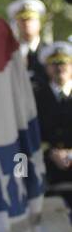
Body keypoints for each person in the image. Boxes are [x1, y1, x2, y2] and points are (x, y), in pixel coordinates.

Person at [37, 41, 72, 207]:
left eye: (64, 62)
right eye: (54, 63)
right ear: (46, 68)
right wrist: (51, 152)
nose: (60, 68)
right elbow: (30, 134)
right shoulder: (35, 97)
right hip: (47, 174)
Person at [8, 0, 49, 92]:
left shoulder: (48, 51)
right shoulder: (9, 52)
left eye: (31, 19)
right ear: (16, 23)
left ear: (40, 22)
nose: (27, 23)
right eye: (22, 19)